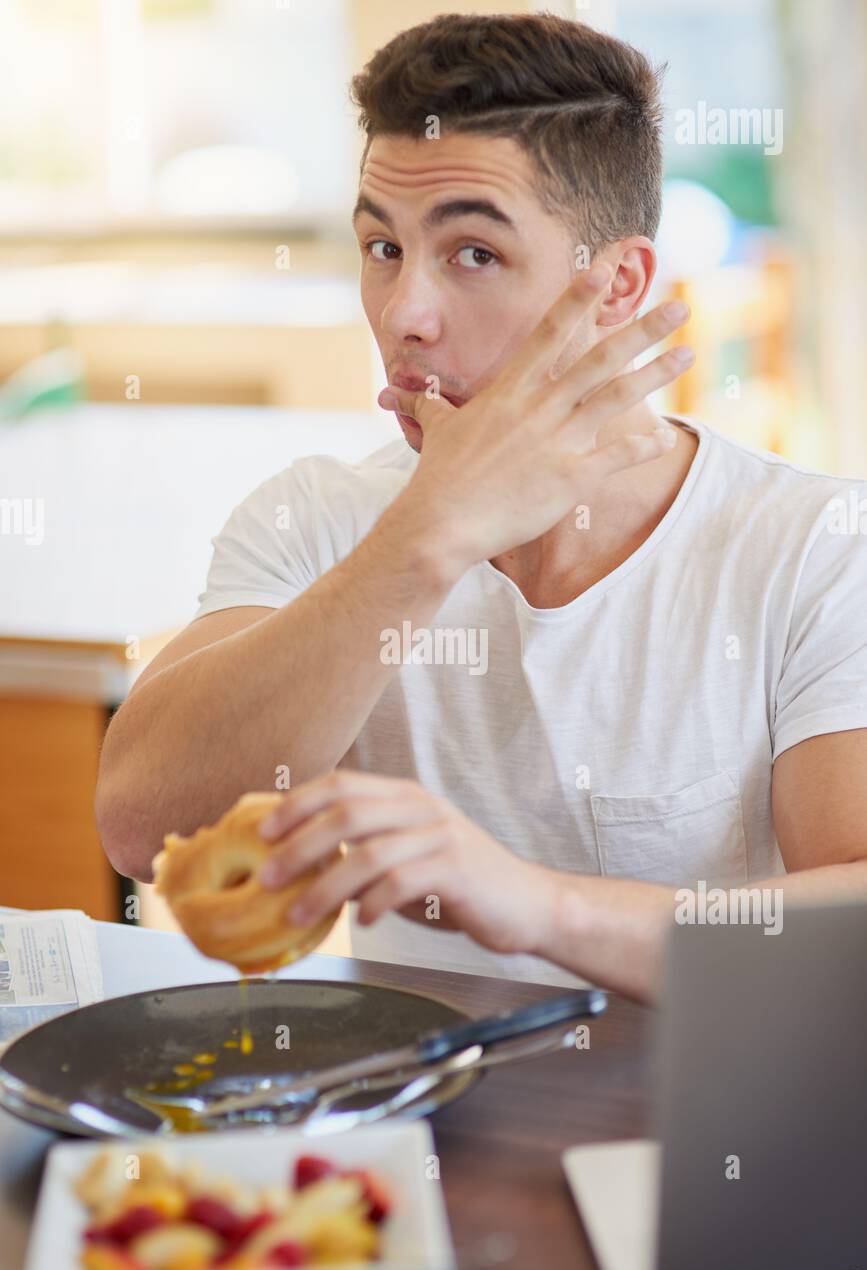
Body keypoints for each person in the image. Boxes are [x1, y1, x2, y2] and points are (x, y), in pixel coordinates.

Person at [96, 14, 867, 1002]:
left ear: (618, 286)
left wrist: (534, 902)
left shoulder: (812, 548)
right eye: (382, 246)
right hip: (410, 1131)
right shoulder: (320, 520)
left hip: (695, 1138)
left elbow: (849, 933)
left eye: (472, 254)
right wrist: (430, 535)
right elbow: (139, 826)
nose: (405, 313)